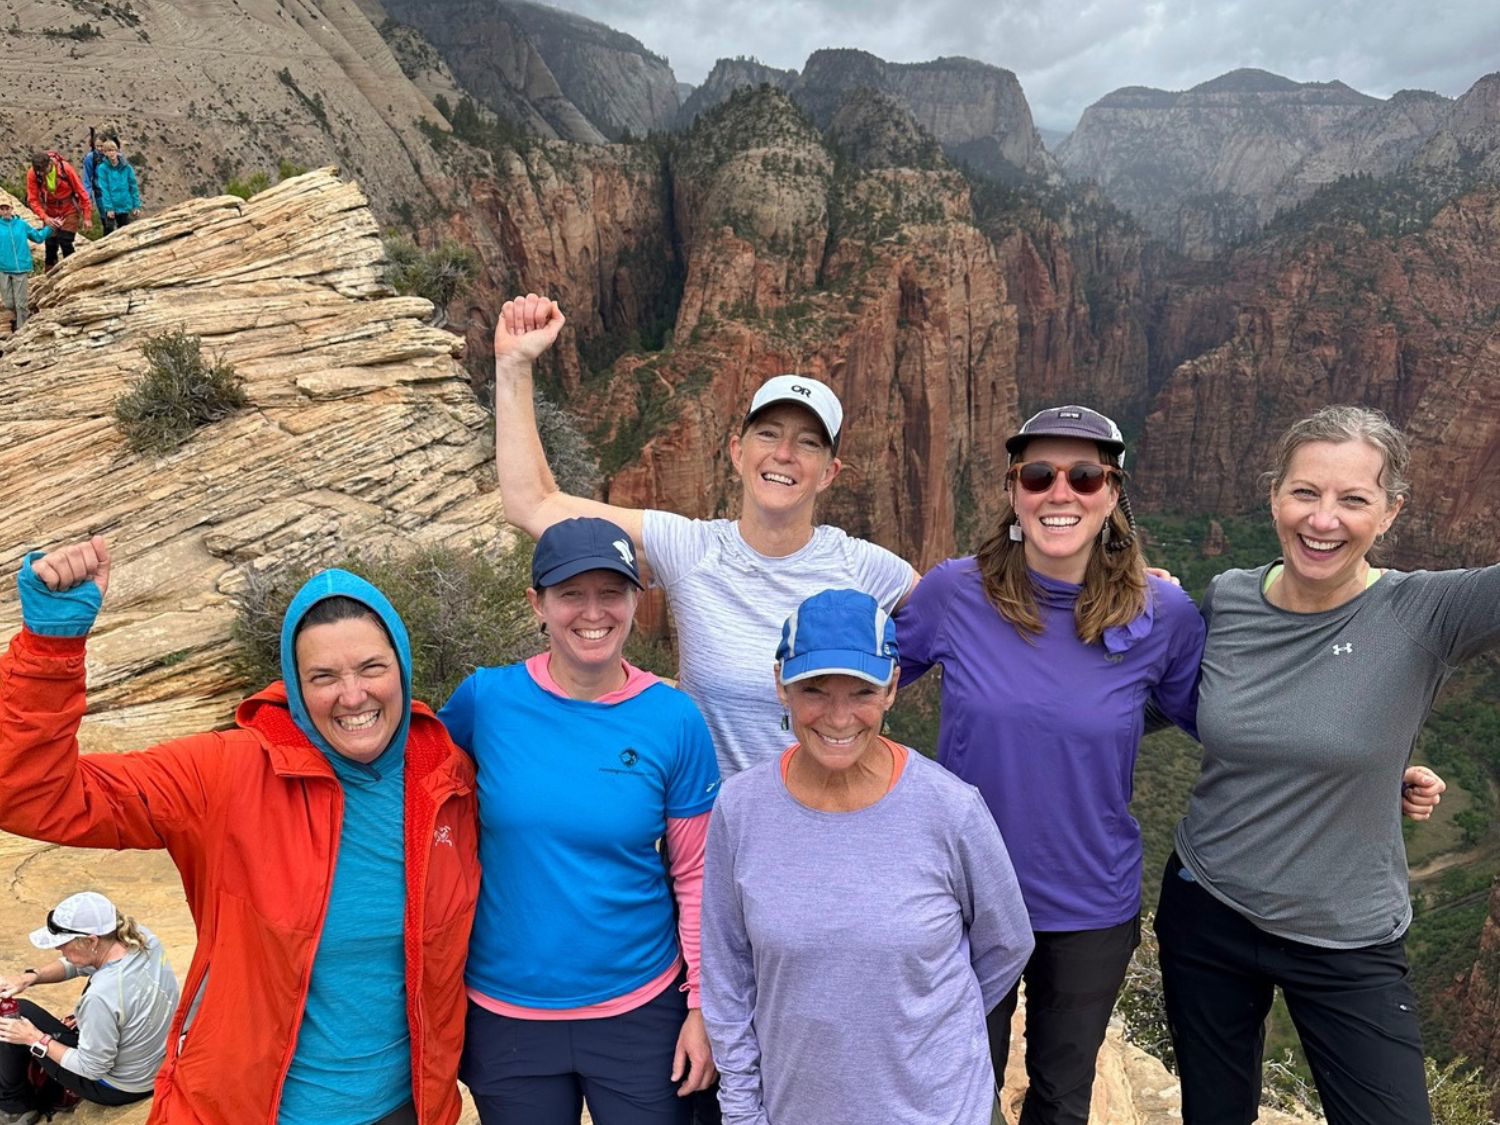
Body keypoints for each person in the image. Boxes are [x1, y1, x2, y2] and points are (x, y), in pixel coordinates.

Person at [0, 536, 480, 1125]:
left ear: (402, 667)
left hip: (406, 1109)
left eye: (372, 668)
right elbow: (30, 795)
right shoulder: (226, 773)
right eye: (323, 675)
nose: (352, 695)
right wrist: (50, 649)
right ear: (295, 688)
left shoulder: (447, 781)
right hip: (252, 1109)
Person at [1157, 405, 1489, 1125]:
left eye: (1354, 499)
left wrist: (1375, 766)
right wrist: (1130, 605)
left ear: (1391, 512)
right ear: (1274, 494)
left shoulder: (1424, 612)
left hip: (1348, 934)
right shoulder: (1229, 598)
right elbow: (1134, 703)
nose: (1324, 519)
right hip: (1205, 905)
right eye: (1305, 491)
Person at [894, 404, 1205, 1125]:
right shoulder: (954, 592)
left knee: (1062, 1099)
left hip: (1091, 902)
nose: (1059, 491)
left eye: (1084, 475)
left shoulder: (1166, 613)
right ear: (1013, 490)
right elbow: (857, 694)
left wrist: (1374, 773)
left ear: (1112, 492)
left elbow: (1223, 724)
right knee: (959, 1090)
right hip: (964, 895)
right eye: (1039, 474)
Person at [491, 294, 918, 782]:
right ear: (737, 451)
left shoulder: (866, 567)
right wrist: (514, 365)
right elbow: (534, 505)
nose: (783, 454)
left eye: (807, 443)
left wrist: (879, 696)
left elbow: (958, 623)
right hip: (713, 835)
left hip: (827, 825)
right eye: (768, 434)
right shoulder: (690, 548)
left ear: (829, 471)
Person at [702, 587, 1034, 1125]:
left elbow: (1007, 944)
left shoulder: (950, 809)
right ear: (781, 685)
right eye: (814, 689)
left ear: (893, 688)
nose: (838, 717)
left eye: (861, 690)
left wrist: (922, 1021)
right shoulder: (740, 810)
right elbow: (727, 974)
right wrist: (742, 1112)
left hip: (942, 1112)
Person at [438, 517, 721, 1125]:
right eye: (570, 594)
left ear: (635, 601)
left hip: (641, 1010)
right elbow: (412, 788)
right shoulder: (485, 701)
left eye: (611, 593)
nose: (593, 613)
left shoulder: (673, 720)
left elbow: (697, 874)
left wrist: (701, 1007)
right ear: (537, 603)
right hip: (506, 1014)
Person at [0, 891, 178, 1123]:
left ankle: (15, 1107)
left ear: (92, 940)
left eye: (63, 944)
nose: (59, 950)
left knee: (13, 1018)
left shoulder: (101, 997)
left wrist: (35, 1039)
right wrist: (31, 977)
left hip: (118, 1086)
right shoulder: (142, 939)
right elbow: (78, 964)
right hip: (155, 1064)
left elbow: (91, 1068)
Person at [23, 153, 90, 270]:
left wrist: (87, 216)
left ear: (50, 164)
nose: (42, 174)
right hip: (49, 209)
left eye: (45, 170)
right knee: (50, 243)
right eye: (40, 172)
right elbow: (32, 199)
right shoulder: (33, 174)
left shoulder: (65, 169)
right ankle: (50, 274)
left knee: (65, 240)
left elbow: (81, 192)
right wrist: (45, 217)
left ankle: (73, 270)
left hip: (69, 207)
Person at [0, 199, 48, 332]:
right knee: (9, 302)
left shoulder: (21, 224)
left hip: (21, 268)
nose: (4, 211)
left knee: (21, 303)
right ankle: (18, 318)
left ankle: (22, 329)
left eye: (7, 208)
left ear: (12, 208)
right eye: (2, 209)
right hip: (3, 269)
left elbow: (38, 238)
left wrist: (50, 228)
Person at [93, 141, 140, 235]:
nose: (111, 153)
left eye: (112, 150)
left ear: (116, 151)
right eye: (108, 151)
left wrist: (136, 205)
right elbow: (104, 189)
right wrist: (109, 208)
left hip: (124, 205)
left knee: (125, 232)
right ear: (104, 153)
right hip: (111, 206)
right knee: (109, 230)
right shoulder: (103, 168)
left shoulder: (126, 167)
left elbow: (133, 187)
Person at [80, 128, 119, 215]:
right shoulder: (91, 158)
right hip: (101, 194)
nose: (99, 148)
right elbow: (87, 178)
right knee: (107, 220)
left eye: (101, 146)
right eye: (97, 146)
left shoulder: (112, 156)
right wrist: (88, 197)